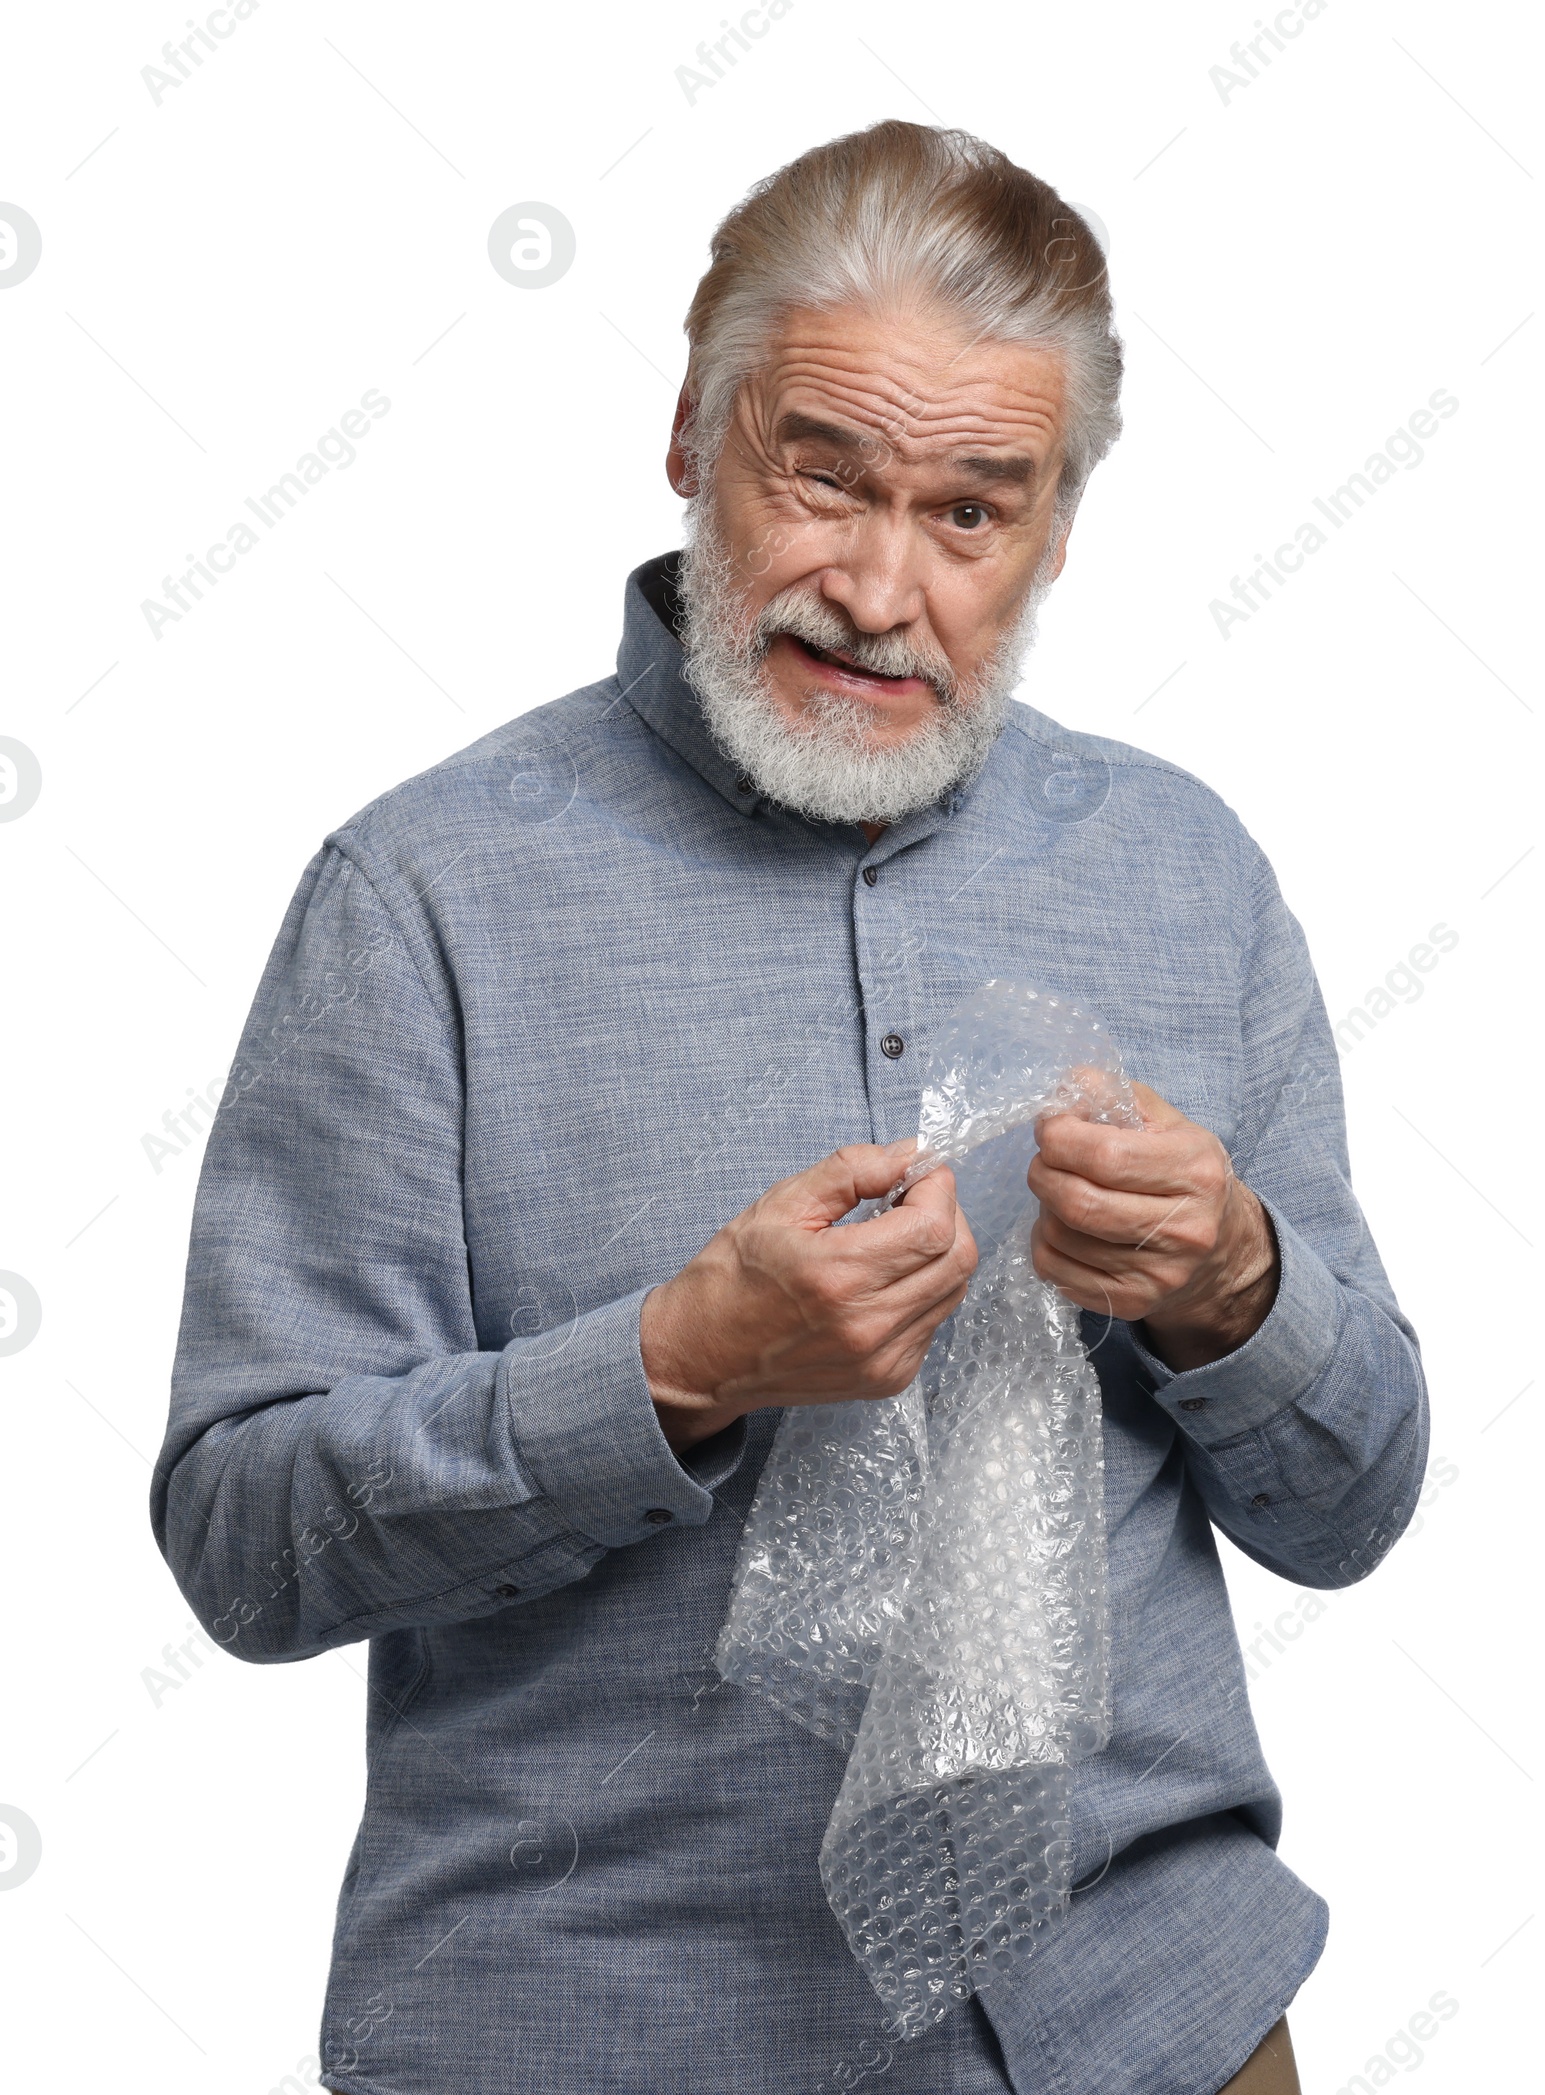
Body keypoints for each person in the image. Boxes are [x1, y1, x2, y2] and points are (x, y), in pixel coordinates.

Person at [152, 120, 1427, 2095]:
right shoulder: (422, 904)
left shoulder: (1189, 879)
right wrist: (666, 1369)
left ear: (1056, 531)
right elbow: (247, 1540)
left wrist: (1236, 1288)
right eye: (820, 474)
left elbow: (1348, 1505)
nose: (877, 587)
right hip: (608, 2033)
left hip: (1154, 2027)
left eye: (969, 513)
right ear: (691, 433)